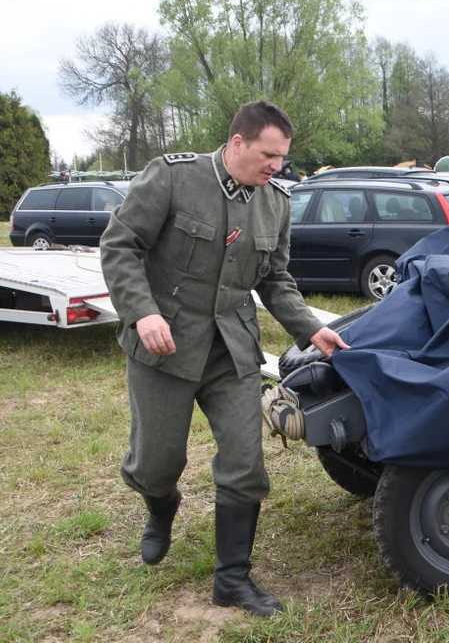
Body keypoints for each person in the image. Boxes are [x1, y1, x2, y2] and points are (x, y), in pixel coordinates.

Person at [99, 100, 350, 618]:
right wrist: (142, 312)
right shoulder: (174, 178)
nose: (277, 167)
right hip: (162, 345)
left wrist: (313, 330)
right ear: (237, 143)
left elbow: (275, 281)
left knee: (245, 462)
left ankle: (232, 580)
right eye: (268, 155)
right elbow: (120, 245)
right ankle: (160, 506)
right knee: (155, 464)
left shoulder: (275, 203)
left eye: (281, 158)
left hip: (231, 349)